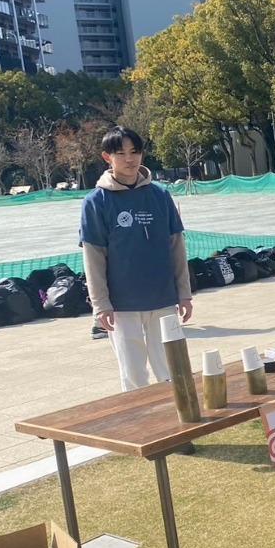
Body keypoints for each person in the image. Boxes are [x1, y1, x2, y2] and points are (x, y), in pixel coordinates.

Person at [80, 126, 193, 392]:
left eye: (135, 152)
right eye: (121, 153)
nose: (130, 159)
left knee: (172, 371)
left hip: (163, 299)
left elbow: (176, 246)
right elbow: (93, 257)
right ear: (107, 157)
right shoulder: (96, 201)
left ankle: (178, 417)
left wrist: (184, 293)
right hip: (122, 306)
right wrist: (100, 305)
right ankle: (139, 419)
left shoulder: (160, 195)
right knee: (133, 376)